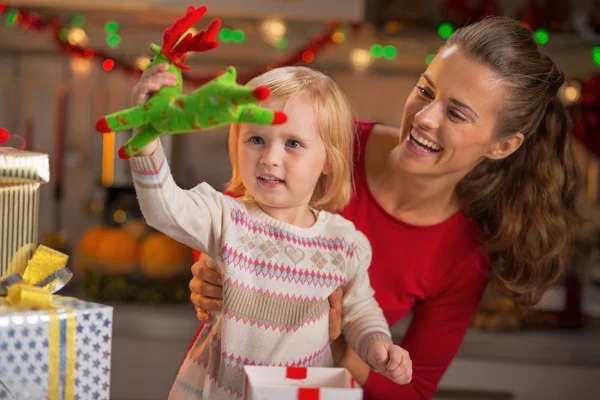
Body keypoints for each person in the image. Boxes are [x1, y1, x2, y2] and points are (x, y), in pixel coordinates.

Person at [182, 17, 581, 399]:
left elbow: (413, 389)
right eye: (425, 91)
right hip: (223, 382)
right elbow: (235, 206)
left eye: (456, 113)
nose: (424, 118)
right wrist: (211, 270)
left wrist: (339, 344)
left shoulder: (463, 254)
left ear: (503, 145)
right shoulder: (327, 144)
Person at [129, 66, 412, 399]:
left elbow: (360, 311)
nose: (269, 157)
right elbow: (164, 208)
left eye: (292, 143)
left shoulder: (344, 244)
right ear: (236, 145)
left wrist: (378, 345)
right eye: (256, 139)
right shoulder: (225, 217)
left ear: (328, 160)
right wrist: (146, 138)